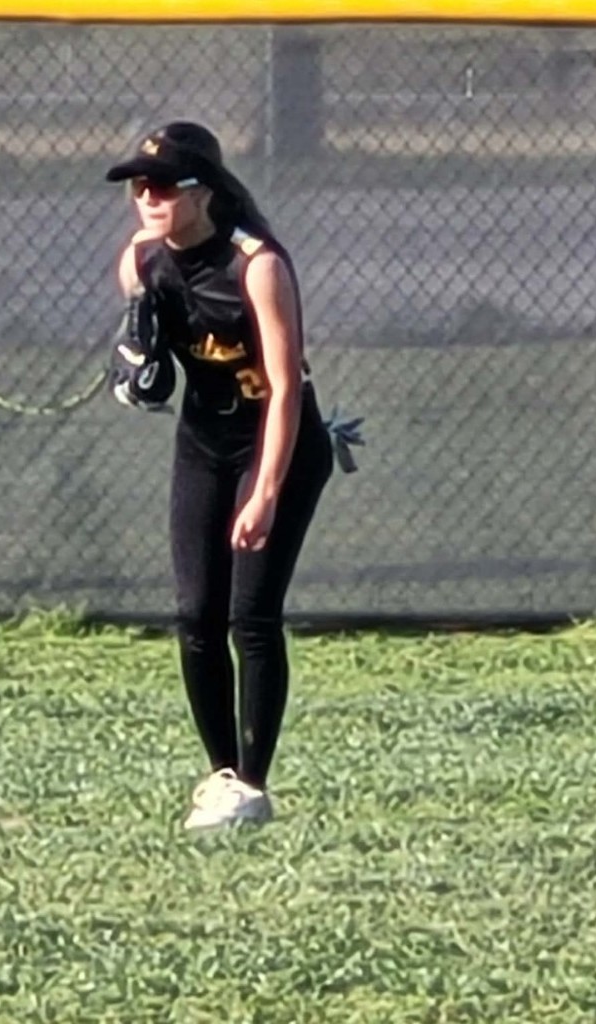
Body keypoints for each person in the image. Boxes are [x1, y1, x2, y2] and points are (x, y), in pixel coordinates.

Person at [106, 121, 357, 831]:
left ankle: (253, 782)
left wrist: (268, 493)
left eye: (161, 185)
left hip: (277, 442)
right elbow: (138, 299)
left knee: (251, 616)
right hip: (204, 441)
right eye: (137, 186)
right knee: (194, 615)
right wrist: (136, 347)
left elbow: (284, 388)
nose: (146, 198)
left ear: (203, 190)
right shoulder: (146, 258)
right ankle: (221, 778)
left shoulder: (257, 264)